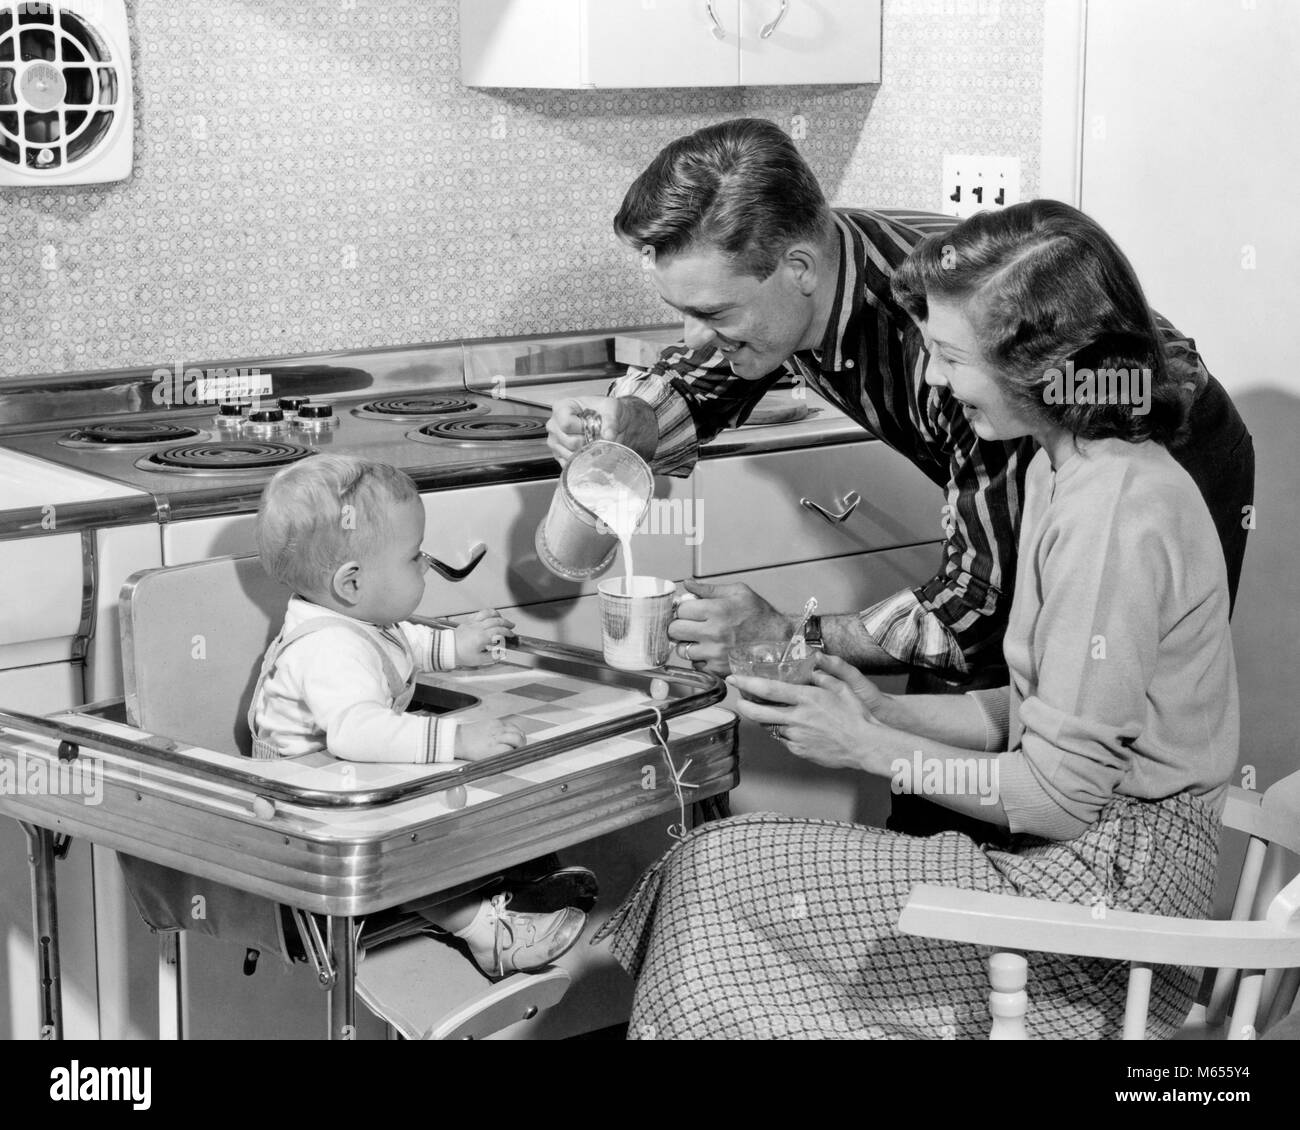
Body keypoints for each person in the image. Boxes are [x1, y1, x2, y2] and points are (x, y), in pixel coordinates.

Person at [593, 199, 1239, 1039]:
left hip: (1107, 903)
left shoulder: (1112, 515)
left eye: (949, 358)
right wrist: (877, 707)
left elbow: (1060, 795)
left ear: (1040, 366)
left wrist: (871, 748)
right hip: (1077, 866)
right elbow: (1041, 709)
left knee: (717, 878)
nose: (931, 382)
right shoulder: (1061, 468)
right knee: (714, 873)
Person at [547, 117, 1254, 844]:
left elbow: (972, 612)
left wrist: (795, 635)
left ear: (798, 271)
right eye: (684, 313)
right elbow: (701, 378)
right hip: (1046, 452)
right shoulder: (797, 273)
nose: (696, 338)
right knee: (989, 733)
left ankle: (1075, 922)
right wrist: (630, 420)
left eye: (712, 313)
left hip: (1161, 430)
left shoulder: (964, 358)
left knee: (1052, 766)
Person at [251, 454, 590, 978]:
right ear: (352, 584)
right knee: (414, 843)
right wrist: (457, 738)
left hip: (345, 785)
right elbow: (356, 731)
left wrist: (458, 645)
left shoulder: (359, 618)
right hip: (310, 818)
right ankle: (486, 931)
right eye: (414, 558)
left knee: (440, 806)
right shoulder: (330, 648)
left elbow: (404, 641)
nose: (427, 565)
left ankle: (513, 879)